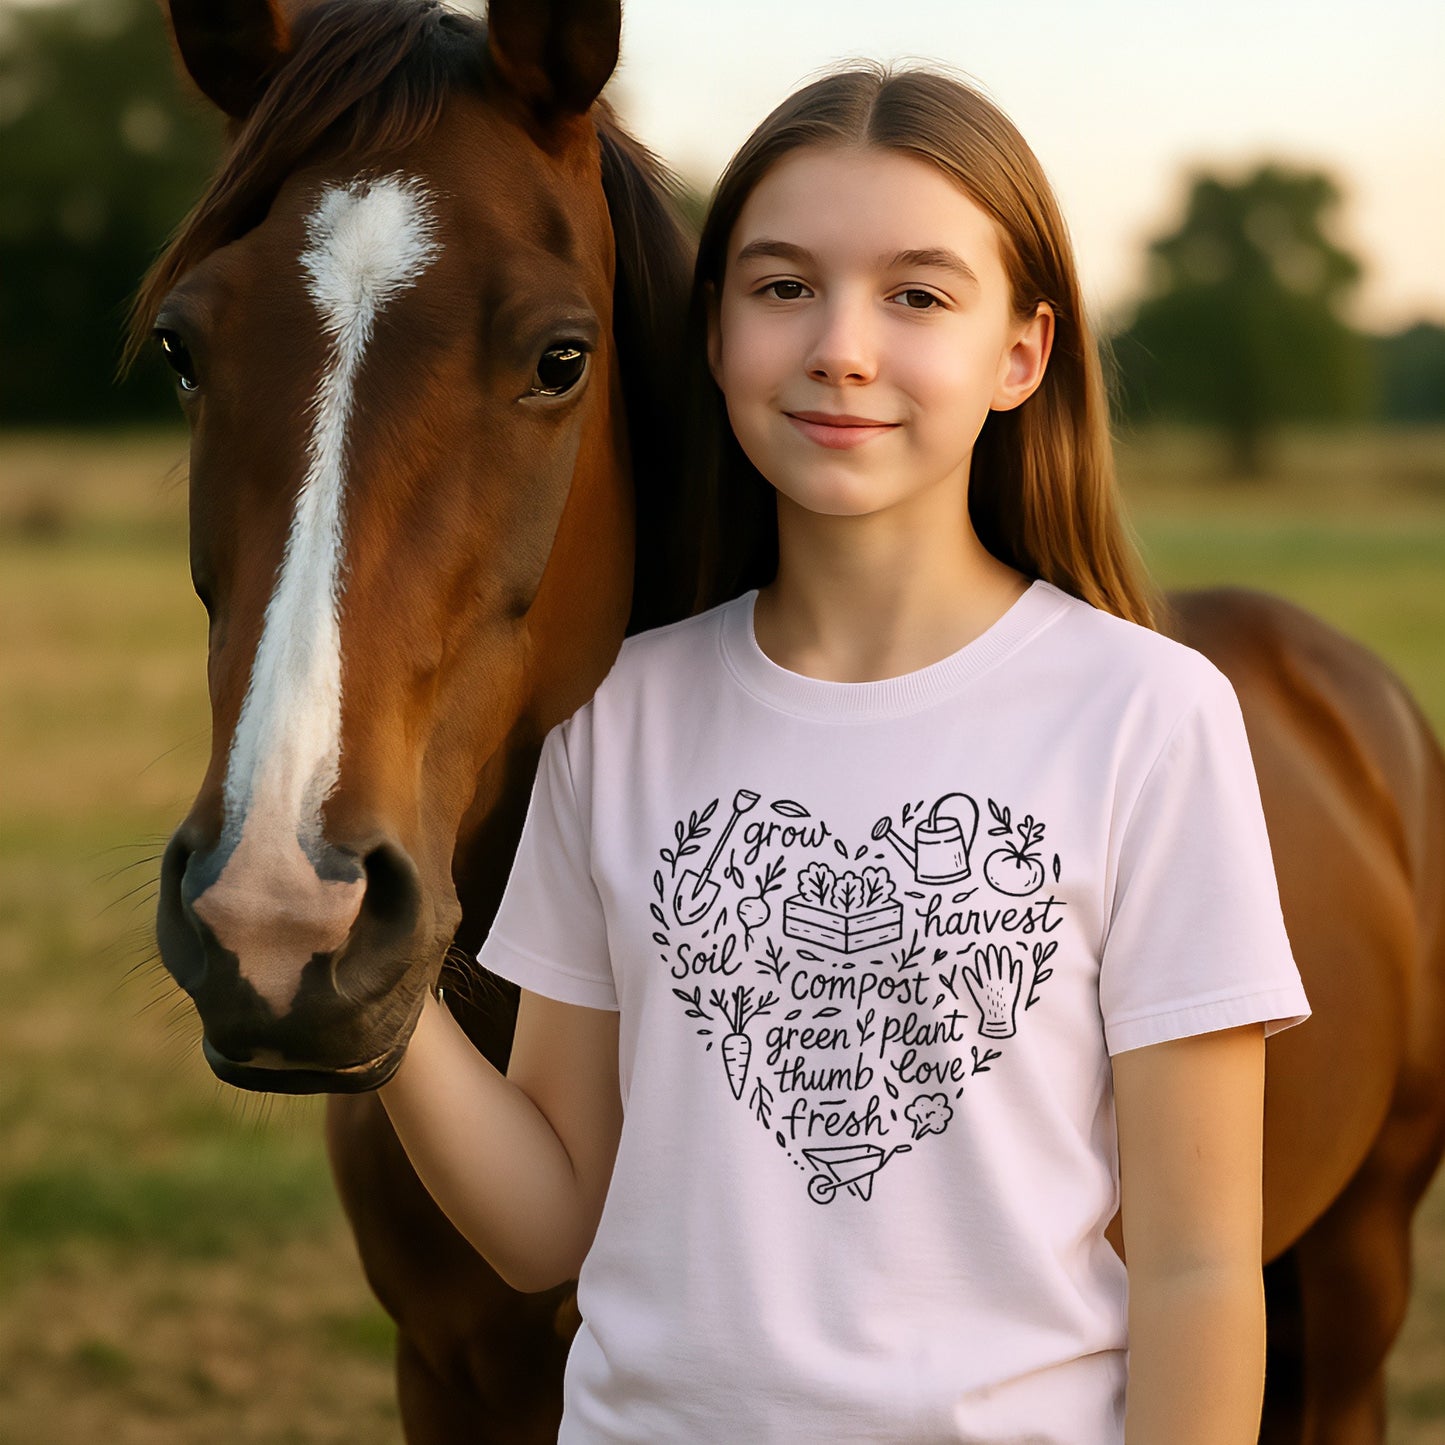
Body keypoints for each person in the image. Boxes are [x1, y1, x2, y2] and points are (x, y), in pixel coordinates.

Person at [379, 63, 1311, 1443]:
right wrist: (375, 987)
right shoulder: (615, 717)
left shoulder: (1145, 717)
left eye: (917, 294)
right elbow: (546, 1221)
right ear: (712, 333)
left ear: (1022, 352)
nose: (842, 347)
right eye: (781, 285)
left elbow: (1194, 1270)